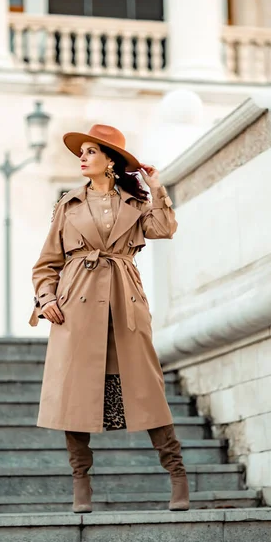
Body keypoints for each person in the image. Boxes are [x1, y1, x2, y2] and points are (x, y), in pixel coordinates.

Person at [29, 124, 189, 513]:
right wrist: (46, 298)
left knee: (146, 389)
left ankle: (177, 475)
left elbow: (165, 228)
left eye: (90, 152)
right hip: (75, 308)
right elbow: (46, 265)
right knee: (75, 395)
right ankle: (80, 481)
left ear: (110, 162)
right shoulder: (67, 206)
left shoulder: (135, 206)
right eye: (80, 152)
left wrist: (155, 185)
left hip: (125, 302)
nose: (82, 158)